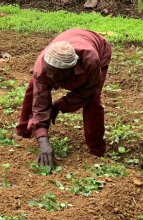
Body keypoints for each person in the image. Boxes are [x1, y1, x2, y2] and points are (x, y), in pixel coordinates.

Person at [15, 29, 112, 168]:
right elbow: (40, 106)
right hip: (71, 38)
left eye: (58, 75)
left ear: (72, 70)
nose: (52, 79)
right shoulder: (42, 68)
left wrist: (59, 105)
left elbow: (88, 92)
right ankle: (23, 130)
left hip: (98, 47)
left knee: (93, 101)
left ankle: (97, 151)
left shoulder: (90, 61)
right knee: (34, 86)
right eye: (50, 73)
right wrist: (43, 141)